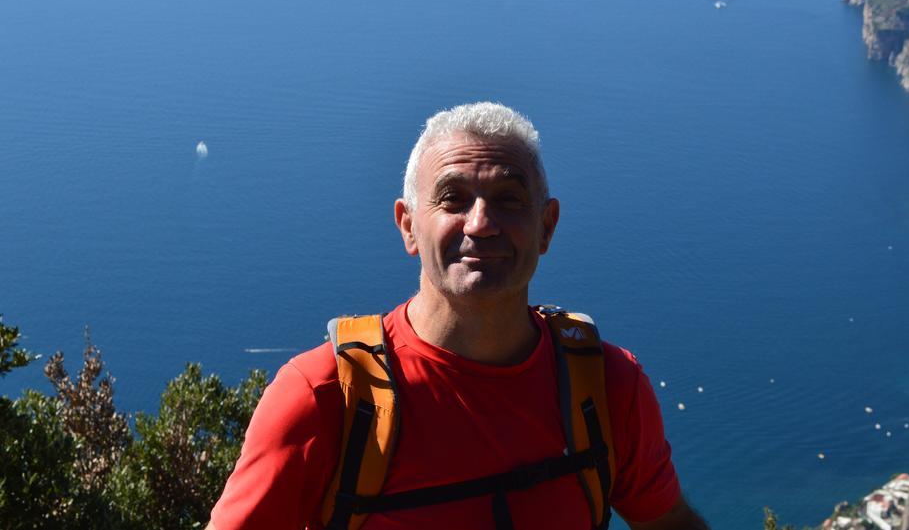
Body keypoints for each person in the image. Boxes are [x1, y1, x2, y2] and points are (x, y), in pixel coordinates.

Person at [208, 102, 708, 530]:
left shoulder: (604, 385)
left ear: (546, 227)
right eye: (453, 198)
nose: (481, 223)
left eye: (509, 200)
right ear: (408, 226)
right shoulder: (326, 397)